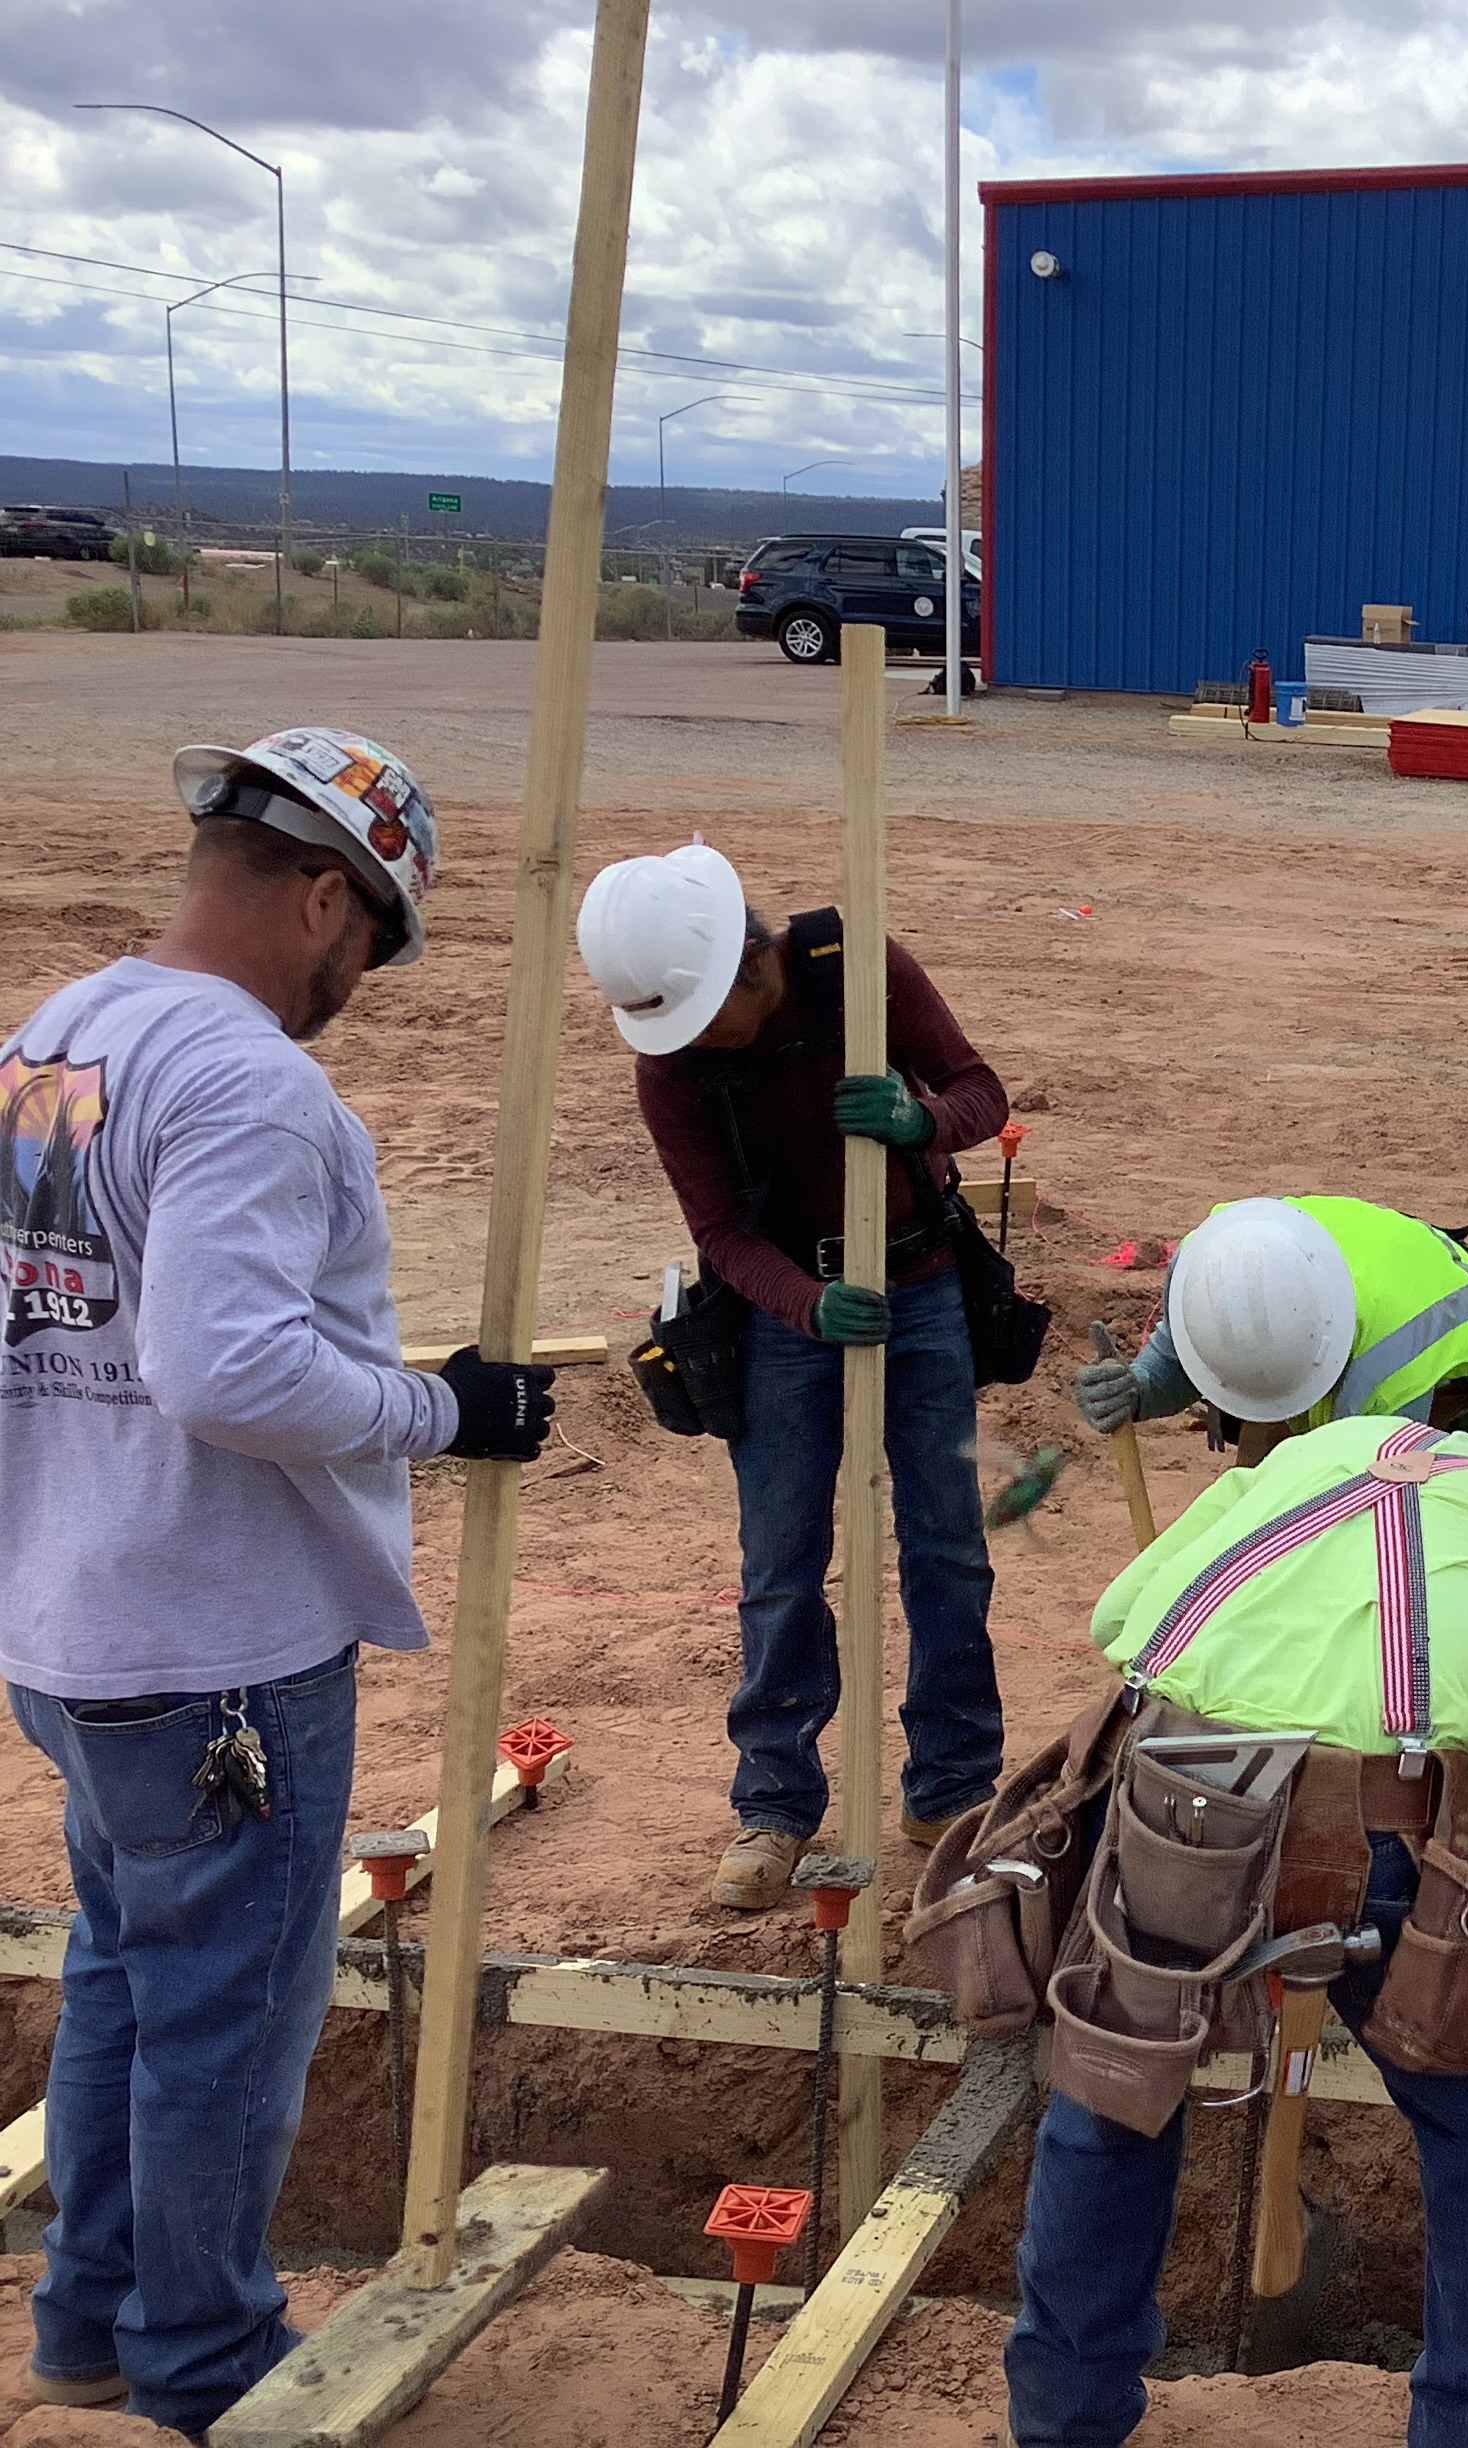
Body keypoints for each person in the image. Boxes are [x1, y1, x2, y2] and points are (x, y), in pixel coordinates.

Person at [0, 729, 555, 2430]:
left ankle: (91, 2320)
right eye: (367, 947)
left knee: (127, 1971)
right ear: (327, 894)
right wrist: (441, 1407)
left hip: (74, 1620)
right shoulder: (248, 1079)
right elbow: (224, 1366)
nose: (356, 988)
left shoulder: (57, 1037)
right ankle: (209, 2363)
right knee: (228, 2021)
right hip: (217, 1647)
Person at [1003, 1401, 1468, 2448]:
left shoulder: (1324, 1448)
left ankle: (1061, 2417)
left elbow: (1119, 1616)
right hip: (1393, 1811)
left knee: (1118, 2085)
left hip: (1178, 1775)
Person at [576, 842, 1012, 1907]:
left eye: (701, 1017)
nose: (688, 1045)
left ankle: (950, 1789)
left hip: (920, 1287)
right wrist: (808, 1304)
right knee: (781, 1562)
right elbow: (720, 1232)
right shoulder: (670, 1064)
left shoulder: (861, 974)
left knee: (948, 1544)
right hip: (787, 1313)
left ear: (757, 966)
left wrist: (922, 1122)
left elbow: (980, 1091)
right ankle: (774, 1805)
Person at [1069, 1193, 1468, 1455]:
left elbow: (1371, 1493)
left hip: (1454, 1331)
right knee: (1260, 1492)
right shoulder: (1211, 1263)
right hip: (1353, 1281)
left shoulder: (1392, 1364)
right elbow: (1182, 1355)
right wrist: (1138, 1389)